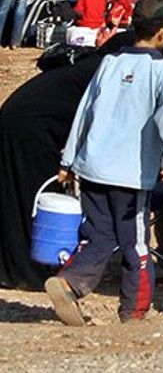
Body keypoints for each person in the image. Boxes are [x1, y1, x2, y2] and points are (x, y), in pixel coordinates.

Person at [45, 0, 163, 326]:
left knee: (99, 236)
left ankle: (69, 283)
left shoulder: (109, 63)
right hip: (130, 175)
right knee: (135, 243)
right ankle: (134, 311)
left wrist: (68, 159)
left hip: (92, 167)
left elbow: (84, 111)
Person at [0, 31, 136, 291]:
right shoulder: (106, 72)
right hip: (33, 127)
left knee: (16, 195)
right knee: (34, 197)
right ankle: (30, 272)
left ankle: (14, 267)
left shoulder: (91, 66)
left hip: (22, 116)